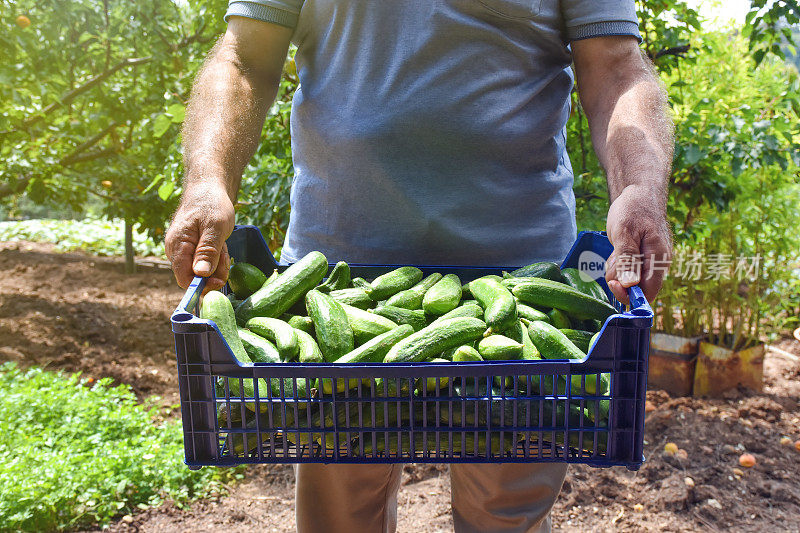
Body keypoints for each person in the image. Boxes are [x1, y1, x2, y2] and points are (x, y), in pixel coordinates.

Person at [166, 1, 673, 531]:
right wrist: (207, 179)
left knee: (505, 513)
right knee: (339, 511)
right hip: (335, 273)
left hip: (524, 288)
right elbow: (246, 56)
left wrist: (639, 190)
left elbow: (616, 65)